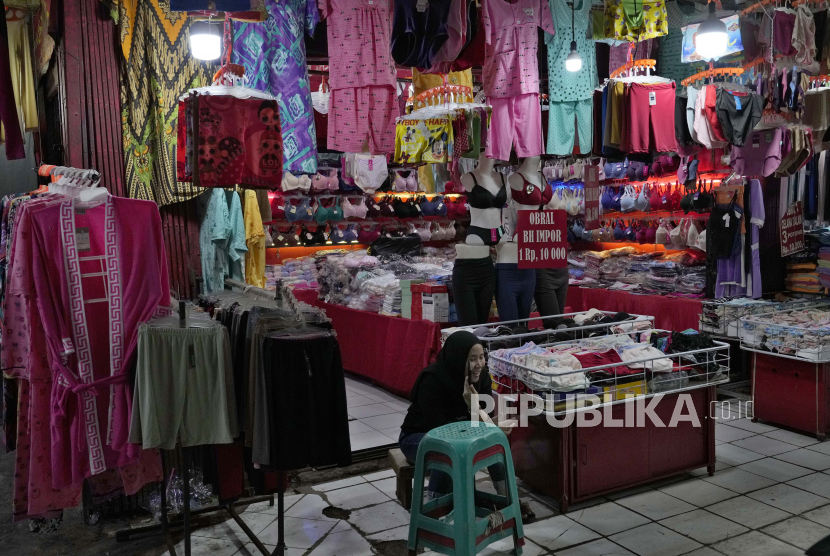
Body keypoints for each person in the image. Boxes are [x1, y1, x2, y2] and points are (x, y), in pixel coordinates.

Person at [399, 330, 534, 521]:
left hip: (460, 435)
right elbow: (440, 433)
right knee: (446, 450)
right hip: (418, 437)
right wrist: (477, 413)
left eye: (481, 357)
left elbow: (482, 423)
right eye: (472, 359)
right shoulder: (432, 380)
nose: (479, 364)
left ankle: (510, 502)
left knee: (496, 443)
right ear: (458, 357)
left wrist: (490, 422)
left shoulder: (483, 379)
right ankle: (434, 511)